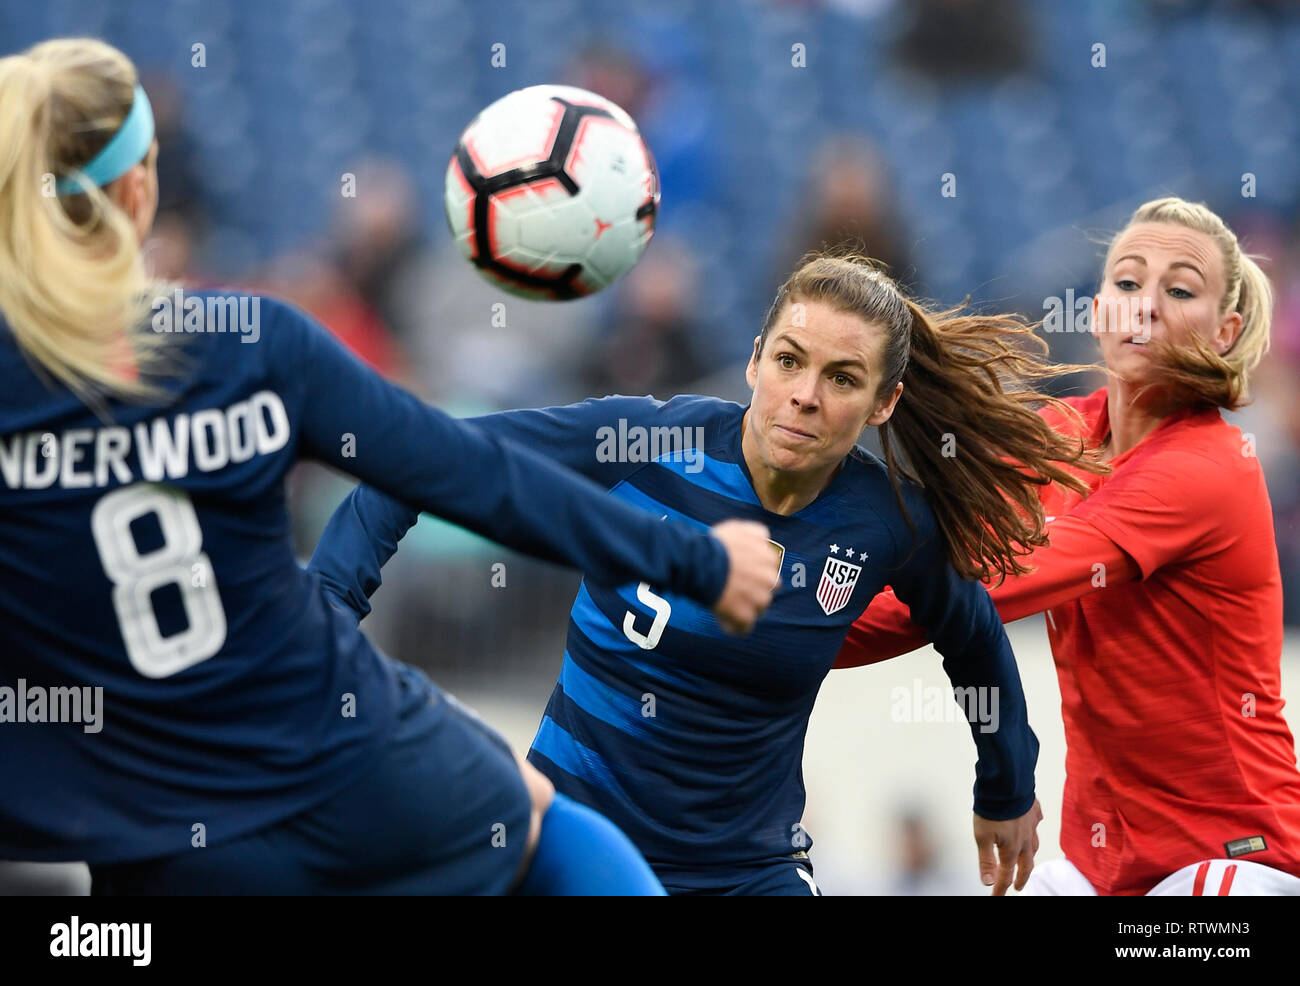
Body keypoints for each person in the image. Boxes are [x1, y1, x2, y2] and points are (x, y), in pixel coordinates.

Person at [0, 38, 784, 895]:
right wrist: (699, 560)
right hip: (348, 763)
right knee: (532, 818)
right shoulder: (246, 342)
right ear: (137, 190)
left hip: (156, 838)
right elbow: (470, 472)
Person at [307, 250, 1116, 895]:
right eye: (791, 361)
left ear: (882, 403)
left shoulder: (886, 524)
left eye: (842, 379)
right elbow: (415, 462)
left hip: (743, 873)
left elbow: (971, 634)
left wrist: (1005, 782)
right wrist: (328, 608)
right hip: (573, 840)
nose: (804, 396)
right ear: (754, 360)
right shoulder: (642, 443)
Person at [836, 197, 1300, 896]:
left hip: (1235, 858)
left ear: (1226, 330)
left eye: (1179, 290)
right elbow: (939, 589)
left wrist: (789, 619)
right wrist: (757, 632)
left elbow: (992, 582)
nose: (1144, 304)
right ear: (1096, 309)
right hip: (1099, 866)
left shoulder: (1208, 470)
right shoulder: (1058, 438)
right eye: (1126, 281)